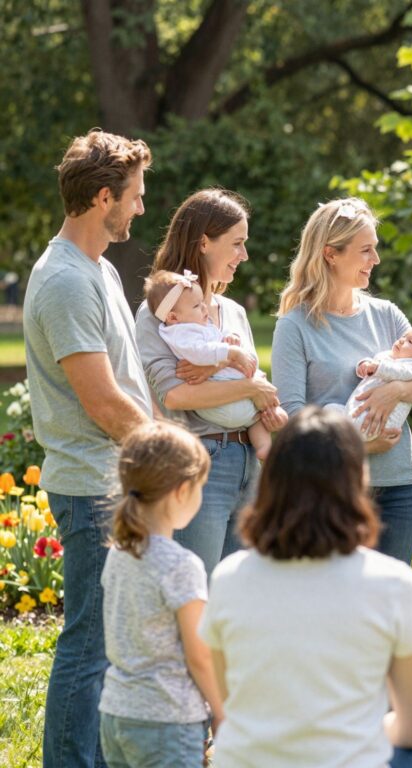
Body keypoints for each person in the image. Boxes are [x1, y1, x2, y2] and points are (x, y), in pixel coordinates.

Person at [198, 407, 412, 768]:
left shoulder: (229, 578)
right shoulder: (394, 584)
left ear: (273, 481)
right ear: (358, 480)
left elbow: (230, 707)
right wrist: (373, 729)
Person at [24, 129, 153, 768]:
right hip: (91, 485)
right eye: (134, 196)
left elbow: (124, 383)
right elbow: (103, 404)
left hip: (113, 481)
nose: (140, 208)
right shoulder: (67, 282)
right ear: (104, 197)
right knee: (87, 646)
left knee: (104, 644)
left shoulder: (97, 268)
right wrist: (168, 457)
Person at [272, 198, 412, 564]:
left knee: (387, 607)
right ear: (331, 254)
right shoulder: (294, 325)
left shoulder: (386, 315)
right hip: (332, 486)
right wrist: (360, 446)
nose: (376, 260)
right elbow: (291, 417)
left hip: (399, 483)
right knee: (336, 606)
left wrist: (397, 390)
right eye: (366, 250)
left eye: (375, 249)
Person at [135, 189, 285, 577]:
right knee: (196, 594)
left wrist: (262, 399)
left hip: (251, 463)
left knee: (237, 599)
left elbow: (252, 375)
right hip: (201, 462)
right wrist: (252, 389)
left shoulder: (233, 312)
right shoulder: (160, 315)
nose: (244, 255)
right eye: (237, 244)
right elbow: (177, 394)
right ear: (204, 243)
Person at [99, 422, 222, 768]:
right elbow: (199, 655)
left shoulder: (119, 552)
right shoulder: (181, 564)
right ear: (182, 491)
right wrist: (223, 711)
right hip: (168, 720)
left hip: (116, 713)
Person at [143, 269, 272, 459]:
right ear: (172, 317)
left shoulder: (209, 320)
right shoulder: (180, 333)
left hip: (242, 441)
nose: (204, 309)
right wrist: (231, 353)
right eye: (197, 305)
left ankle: (265, 448)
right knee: (254, 412)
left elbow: (215, 341)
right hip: (214, 429)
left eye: (203, 303)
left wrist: (230, 339)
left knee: (262, 416)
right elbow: (200, 352)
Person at [327, 324, 412, 440]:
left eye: (410, 341)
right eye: (404, 336)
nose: (402, 340)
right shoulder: (390, 356)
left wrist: (378, 367)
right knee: (330, 409)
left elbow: (401, 372)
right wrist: (364, 365)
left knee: (350, 430)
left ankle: (343, 443)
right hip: (354, 410)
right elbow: (376, 362)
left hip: (376, 422)